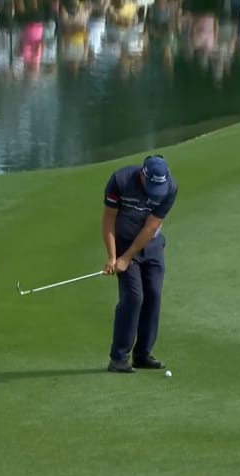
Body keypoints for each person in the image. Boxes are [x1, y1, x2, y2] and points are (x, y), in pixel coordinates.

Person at [101, 154, 178, 373]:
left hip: (150, 244)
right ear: (143, 176)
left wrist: (128, 257)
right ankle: (118, 357)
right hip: (123, 240)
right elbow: (108, 220)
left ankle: (142, 355)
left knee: (153, 294)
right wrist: (113, 256)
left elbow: (151, 227)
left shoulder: (170, 188)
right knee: (134, 296)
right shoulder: (120, 181)